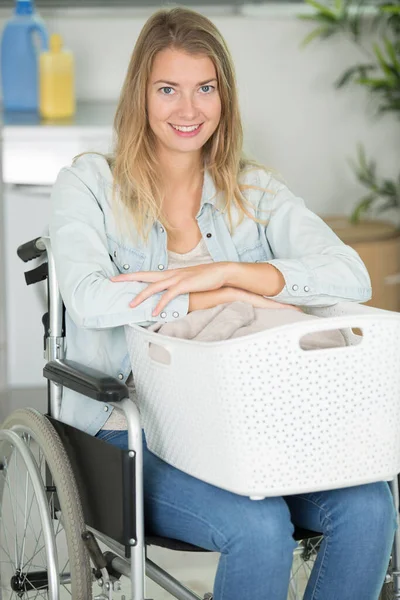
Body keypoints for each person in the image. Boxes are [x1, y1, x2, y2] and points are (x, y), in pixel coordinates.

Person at [49, 7, 396, 600]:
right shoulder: (90, 184)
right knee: (258, 530)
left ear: (224, 96)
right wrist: (213, 293)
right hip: (130, 429)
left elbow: (349, 275)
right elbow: (86, 298)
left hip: (249, 420)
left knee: (369, 505)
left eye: (205, 88)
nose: (189, 110)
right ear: (141, 95)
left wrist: (236, 270)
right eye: (168, 89)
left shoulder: (254, 190)